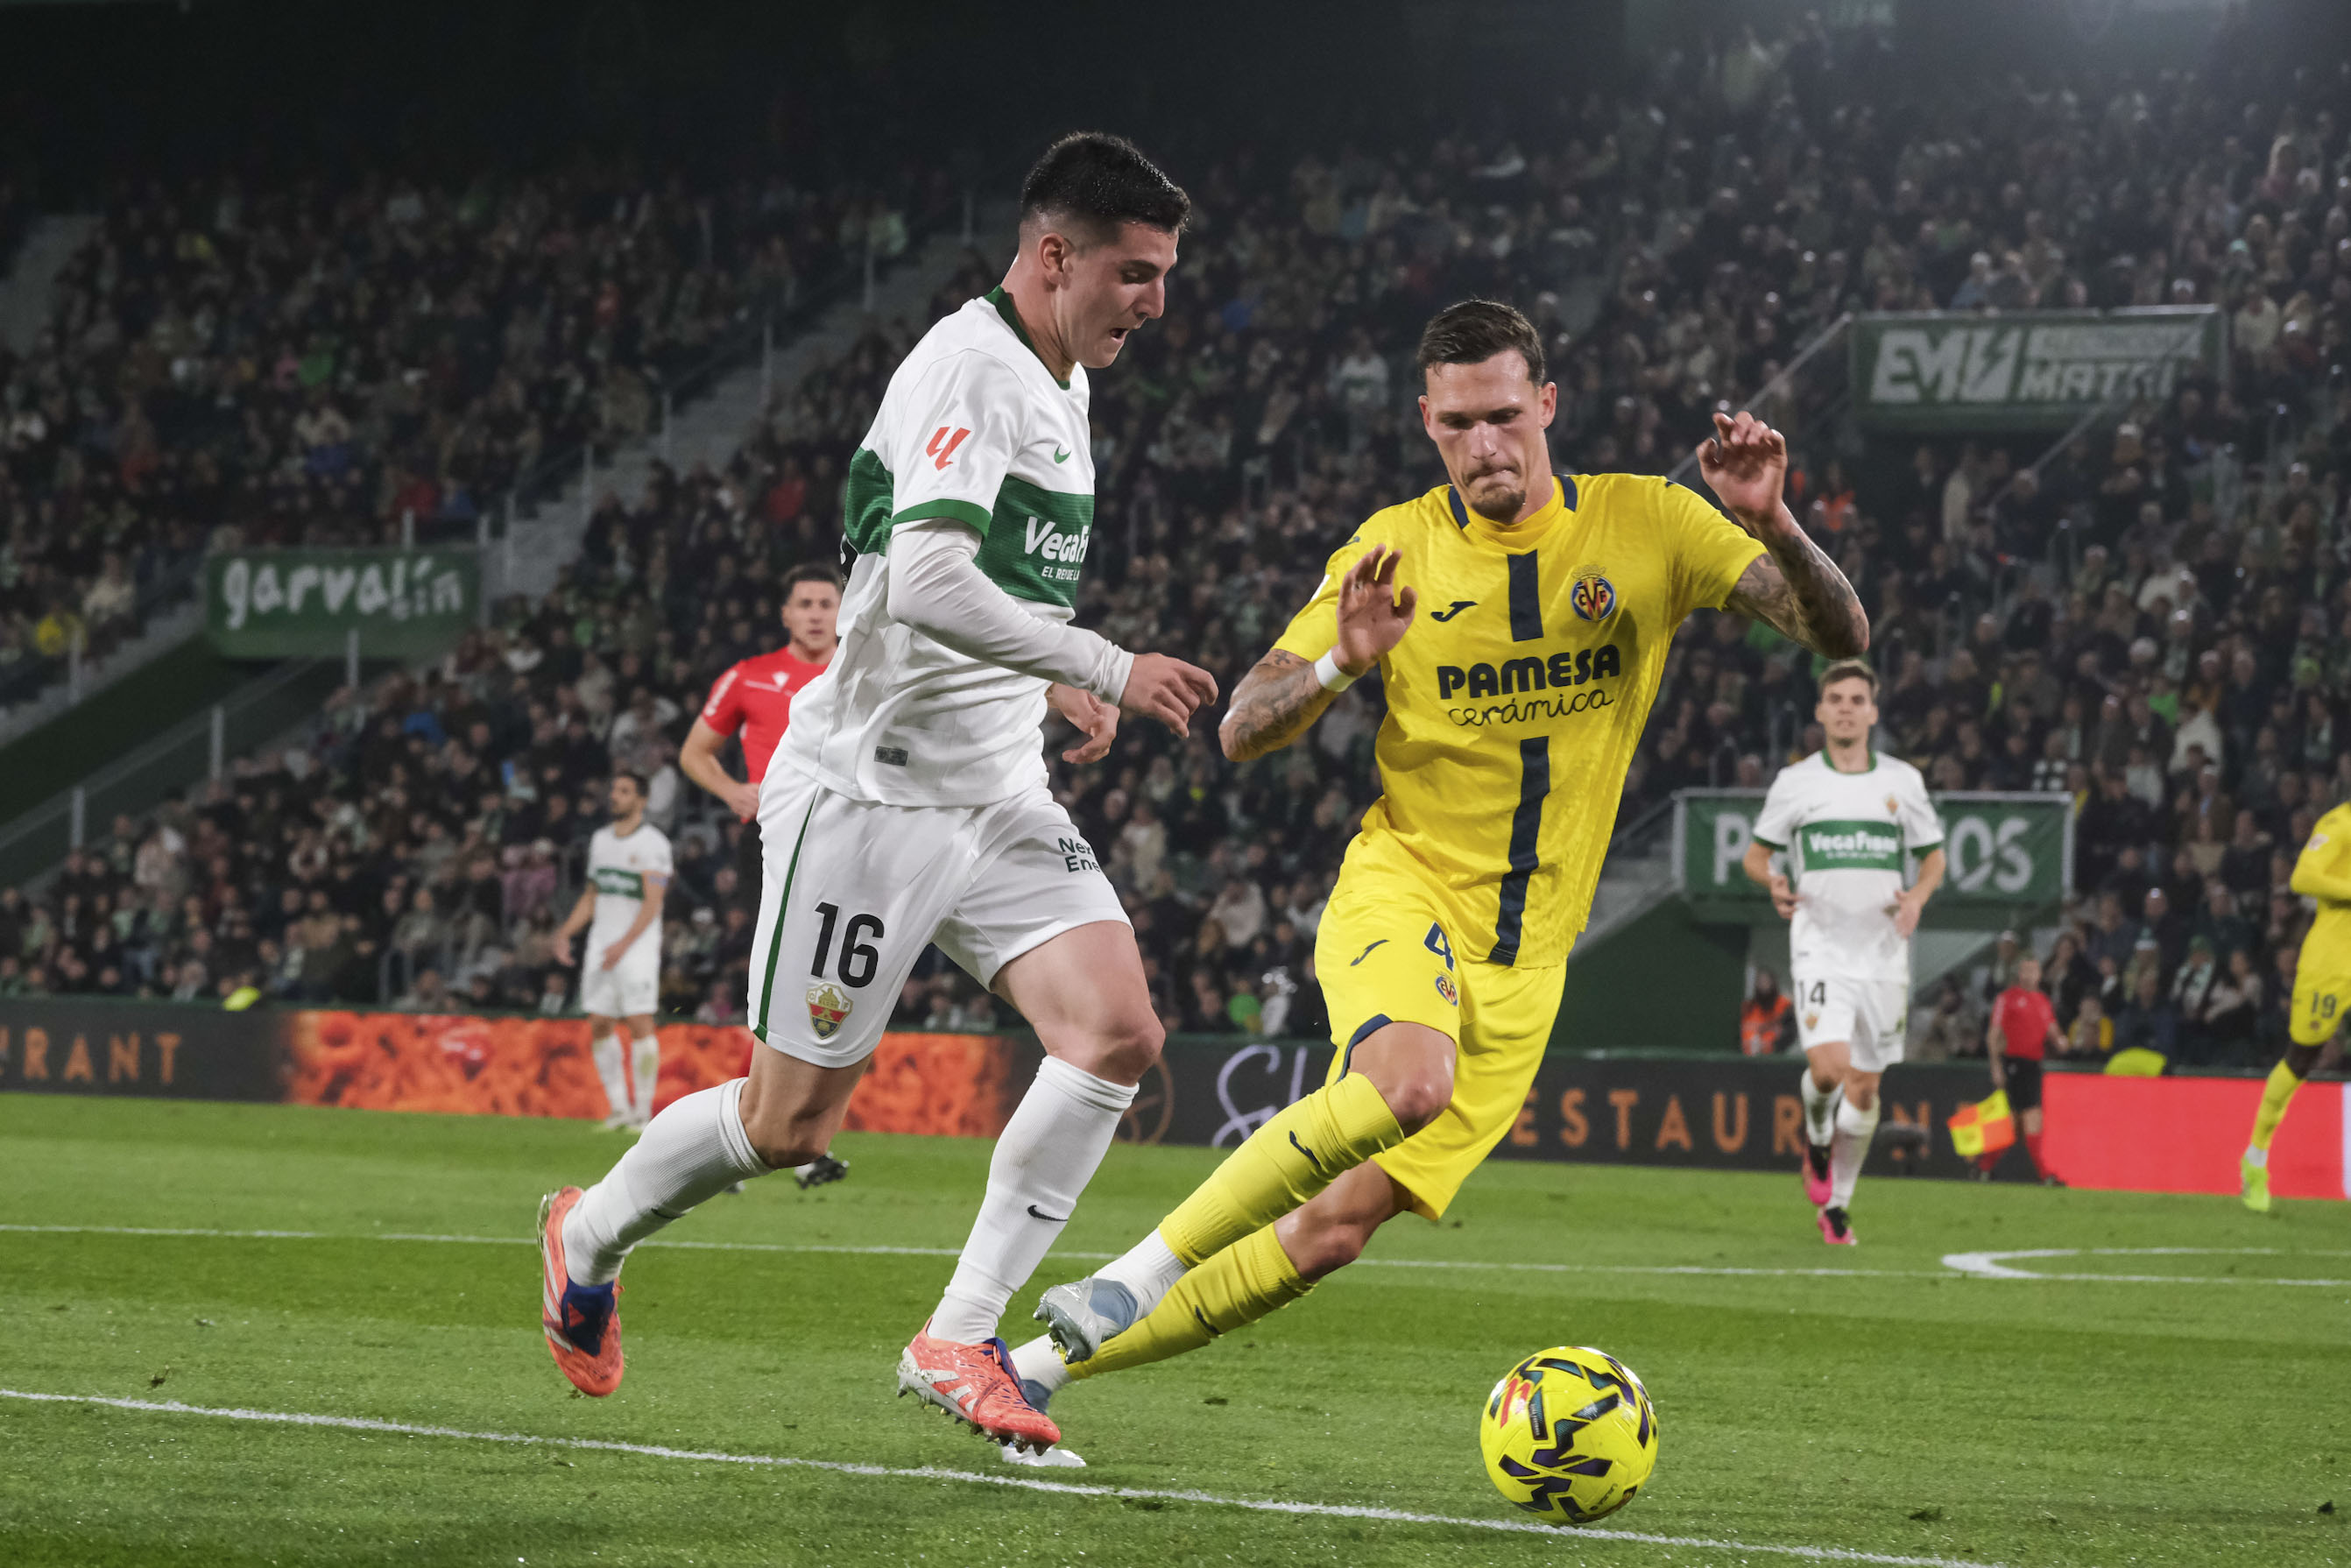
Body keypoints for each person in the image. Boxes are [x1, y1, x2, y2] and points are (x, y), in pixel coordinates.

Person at [1007, 298, 1867, 1444]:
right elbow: (1242, 724)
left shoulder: (1648, 523)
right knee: (1409, 1079)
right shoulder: (1395, 547)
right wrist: (1337, 665)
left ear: (1548, 405)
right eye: (1458, 424)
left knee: (1330, 1232)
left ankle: (1029, 1370)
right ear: (1427, 421)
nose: (1485, 445)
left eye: (1505, 415)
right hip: (1403, 886)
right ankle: (1134, 1271)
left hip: (1529, 966)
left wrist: (1778, 524)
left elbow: (1838, 634)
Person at [537, 132, 1218, 1458]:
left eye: (1167, 274)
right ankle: (591, 1229)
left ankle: (960, 1333)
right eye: (1135, 272)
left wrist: (1043, 693)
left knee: (1116, 1033)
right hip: (870, 798)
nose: (1156, 301)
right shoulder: (970, 364)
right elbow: (922, 582)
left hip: (994, 790)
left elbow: (985, 602)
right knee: (790, 1122)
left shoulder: (1063, 376)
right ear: (1054, 253)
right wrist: (1105, 663)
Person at [1741, 661, 1945, 1243]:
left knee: (1866, 1089)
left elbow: (1933, 857)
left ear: (1873, 712)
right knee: (1829, 1071)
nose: (1848, 707)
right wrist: (1773, 881)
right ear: (1821, 712)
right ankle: (1817, 1137)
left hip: (1883, 953)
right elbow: (1756, 857)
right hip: (1821, 945)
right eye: (1837, 698)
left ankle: (1837, 1208)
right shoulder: (1797, 783)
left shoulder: (1902, 781)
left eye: (1858, 698)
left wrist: (1918, 899)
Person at [679, 561, 851, 1190]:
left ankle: (785, 1136)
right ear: (785, 614)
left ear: (843, 609)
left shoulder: (861, 667)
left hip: (852, 844)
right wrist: (732, 792)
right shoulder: (749, 677)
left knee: (823, 987)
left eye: (824, 602)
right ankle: (749, 1132)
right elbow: (694, 751)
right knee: (773, 984)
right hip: (775, 843)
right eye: (803, 602)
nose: (814, 612)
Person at [2240, 801, 2351, 1211]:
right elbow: (2304, 877)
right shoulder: (2340, 823)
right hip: (2333, 961)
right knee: (2301, 1059)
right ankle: (2255, 1158)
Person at [553, 773, 673, 1131]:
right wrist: (565, 933)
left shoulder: (654, 844)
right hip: (601, 945)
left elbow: (653, 903)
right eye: (614, 790)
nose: (615, 797)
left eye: (624, 792)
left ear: (642, 801)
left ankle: (643, 1111)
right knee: (601, 1022)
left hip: (636, 948)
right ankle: (619, 1108)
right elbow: (592, 894)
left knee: (639, 1022)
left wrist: (623, 944)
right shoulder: (601, 840)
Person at [1984, 954, 2063, 1183]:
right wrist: (1996, 1066)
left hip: (2033, 1066)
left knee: (2023, 1123)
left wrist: (2061, 1041)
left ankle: (1984, 1168)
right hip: (2013, 1064)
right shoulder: (2007, 999)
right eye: (2025, 970)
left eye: (2034, 971)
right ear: (2019, 974)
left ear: (2039, 974)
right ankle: (2044, 1174)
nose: (2030, 975)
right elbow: (1994, 1034)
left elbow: (2052, 1029)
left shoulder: (2042, 1001)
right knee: (2020, 1122)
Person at [1740, 967, 1795, 1055]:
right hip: (1748, 1056)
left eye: (1766, 982)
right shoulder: (1748, 1007)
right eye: (1760, 982)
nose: (1763, 985)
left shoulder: (1783, 1004)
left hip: (1773, 1057)